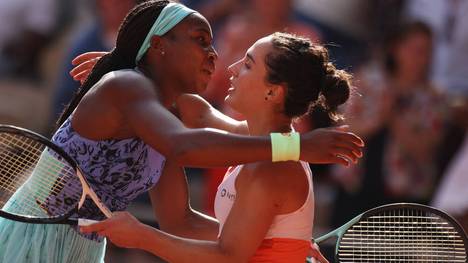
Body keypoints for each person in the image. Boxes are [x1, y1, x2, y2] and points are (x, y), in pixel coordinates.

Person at [0, 1, 363, 262]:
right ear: (159, 47)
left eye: (211, 42)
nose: (216, 55)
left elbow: (181, 220)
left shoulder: (172, 111)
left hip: (85, 248)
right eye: (199, 41)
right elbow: (187, 149)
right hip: (37, 234)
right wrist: (296, 145)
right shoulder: (127, 87)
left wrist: (284, 239)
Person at [81, 31, 353, 263]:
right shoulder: (256, 139)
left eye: (247, 65)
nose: (232, 68)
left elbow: (228, 257)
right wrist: (126, 76)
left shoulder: (272, 168)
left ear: (273, 91)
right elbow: (199, 115)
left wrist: (141, 236)